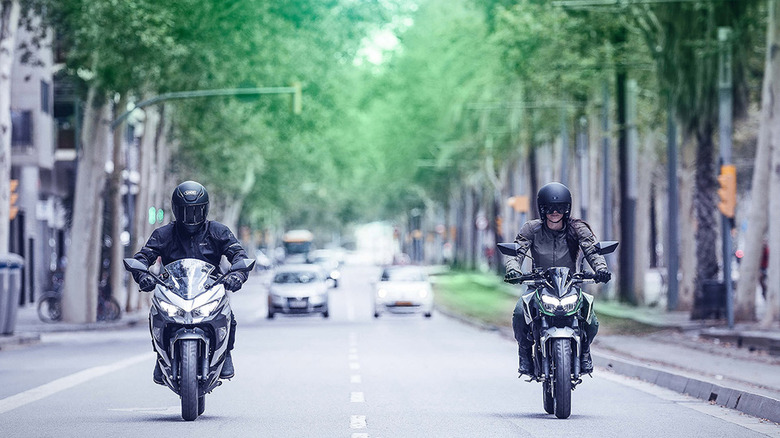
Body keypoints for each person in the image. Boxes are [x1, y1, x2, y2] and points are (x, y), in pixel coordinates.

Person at [131, 181, 249, 384]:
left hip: (209, 289)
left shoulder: (218, 231)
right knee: (155, 316)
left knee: (229, 316)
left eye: (195, 211)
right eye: (186, 211)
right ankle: (161, 358)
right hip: (172, 290)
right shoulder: (163, 234)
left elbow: (238, 254)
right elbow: (142, 258)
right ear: (176, 210)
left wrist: (237, 275)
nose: (191, 217)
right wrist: (143, 276)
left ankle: (226, 353)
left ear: (205, 209)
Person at [505, 182, 611, 376]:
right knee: (520, 313)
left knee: (592, 321)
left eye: (560, 207)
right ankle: (525, 354)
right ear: (542, 208)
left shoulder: (578, 229)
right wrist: (513, 270)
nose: (555, 212)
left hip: (570, 287)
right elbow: (516, 253)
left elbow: (592, 251)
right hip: (538, 286)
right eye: (550, 207)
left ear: (567, 208)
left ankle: (585, 351)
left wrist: (601, 269)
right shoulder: (531, 229)